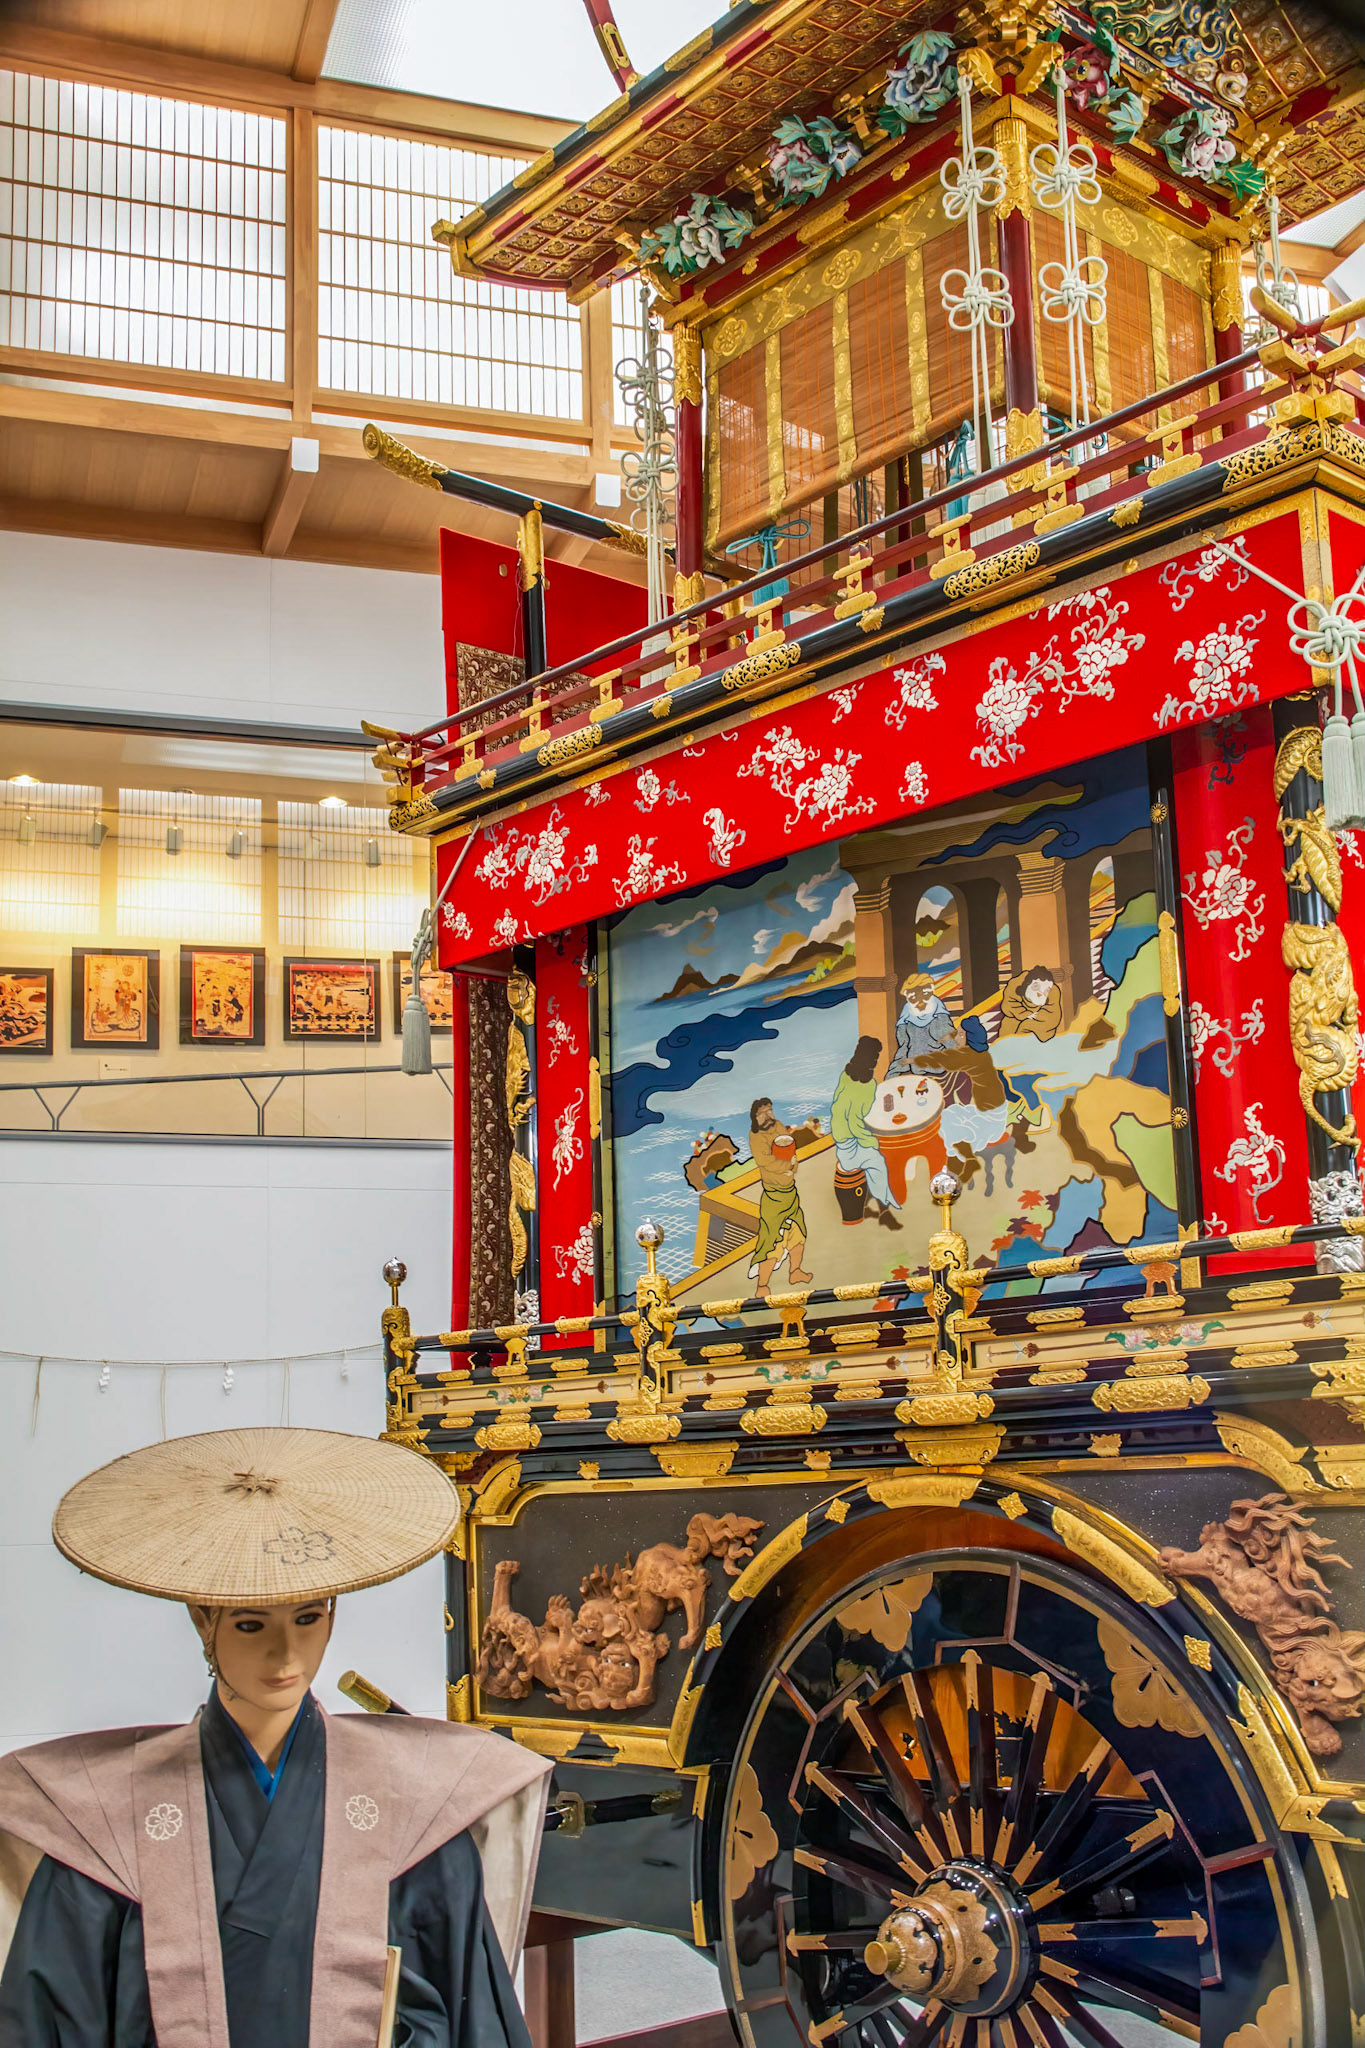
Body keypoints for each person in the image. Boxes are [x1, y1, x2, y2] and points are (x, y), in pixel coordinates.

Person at [0, 1426, 551, 2048]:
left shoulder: (415, 1809)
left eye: (308, 1618)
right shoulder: (104, 1824)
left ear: (332, 1615)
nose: (286, 1652)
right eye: (250, 1624)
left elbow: (463, 2009)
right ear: (202, 1619)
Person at [830, 1037, 901, 1230]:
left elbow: (841, 1108)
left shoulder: (846, 1075)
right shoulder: (867, 1085)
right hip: (851, 1139)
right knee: (878, 1164)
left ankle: (880, 1208)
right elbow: (855, 1121)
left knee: (875, 1165)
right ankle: (885, 1209)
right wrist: (870, 1141)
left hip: (841, 1136)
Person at [747, 1097, 816, 1294]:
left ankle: (795, 1272)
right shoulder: (756, 1136)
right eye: (762, 1113)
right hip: (773, 1196)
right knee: (771, 1241)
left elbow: (790, 1148)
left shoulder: (778, 1126)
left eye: (770, 1110)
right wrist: (787, 1166)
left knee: (798, 1234)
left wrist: (793, 1165)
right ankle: (762, 1286)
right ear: (755, 1117)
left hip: (790, 1192)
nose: (768, 1116)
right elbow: (765, 1161)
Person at [888, 973, 959, 1074]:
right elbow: (903, 1050)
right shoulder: (905, 1020)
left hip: (939, 1070)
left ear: (931, 990)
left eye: (925, 993)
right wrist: (892, 1074)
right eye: (913, 996)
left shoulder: (939, 1016)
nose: (920, 1000)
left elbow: (953, 1048)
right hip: (915, 1070)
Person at [998, 964, 1063, 1042]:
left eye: (1045, 991)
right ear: (1027, 985)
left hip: (1038, 1033)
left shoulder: (1053, 993)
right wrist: (1024, 1014)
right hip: (1012, 1026)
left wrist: (1031, 1021)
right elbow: (1008, 1004)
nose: (1040, 993)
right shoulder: (1015, 985)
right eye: (1036, 987)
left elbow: (1052, 1016)